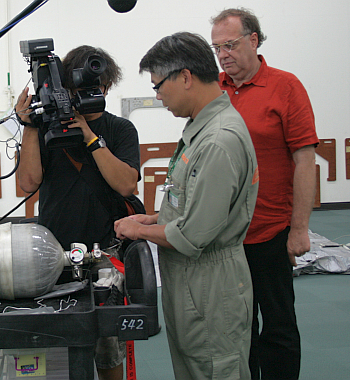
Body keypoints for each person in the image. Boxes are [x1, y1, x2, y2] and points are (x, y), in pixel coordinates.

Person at [115, 32, 259, 379]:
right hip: (192, 283)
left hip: (210, 285)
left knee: (213, 368)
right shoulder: (200, 128)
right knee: (195, 366)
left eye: (158, 85)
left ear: (184, 77)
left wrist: (140, 229)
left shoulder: (218, 141)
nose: (158, 95)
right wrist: (154, 218)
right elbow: (194, 205)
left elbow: (194, 235)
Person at [16, 45, 140, 380]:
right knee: (53, 338)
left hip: (106, 252)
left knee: (107, 345)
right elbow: (27, 184)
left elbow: (127, 184)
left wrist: (89, 135)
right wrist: (29, 126)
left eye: (94, 88)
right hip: (52, 252)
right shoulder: (44, 130)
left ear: (107, 88)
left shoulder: (120, 130)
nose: (86, 94)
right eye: (77, 89)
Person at [210, 9, 319, 379]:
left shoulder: (286, 87)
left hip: (270, 232)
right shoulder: (214, 91)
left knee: (278, 327)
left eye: (230, 44)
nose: (223, 54)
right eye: (217, 48)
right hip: (224, 238)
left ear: (253, 40)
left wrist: (299, 229)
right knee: (237, 329)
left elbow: (305, 161)